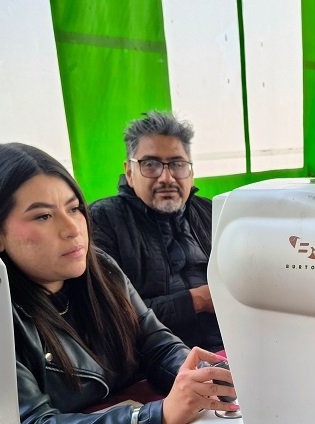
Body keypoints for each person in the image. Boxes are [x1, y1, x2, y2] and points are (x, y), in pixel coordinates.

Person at [0, 143, 236, 424]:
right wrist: (155, 418)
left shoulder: (100, 268)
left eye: (74, 209)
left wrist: (202, 379)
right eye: (43, 215)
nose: (71, 228)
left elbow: (155, 345)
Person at [90, 111, 223, 352]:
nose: (167, 177)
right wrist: (197, 301)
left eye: (177, 164)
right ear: (129, 172)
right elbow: (110, 316)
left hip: (230, 345)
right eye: (150, 164)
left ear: (191, 171)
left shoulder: (211, 211)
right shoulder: (103, 220)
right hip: (152, 362)